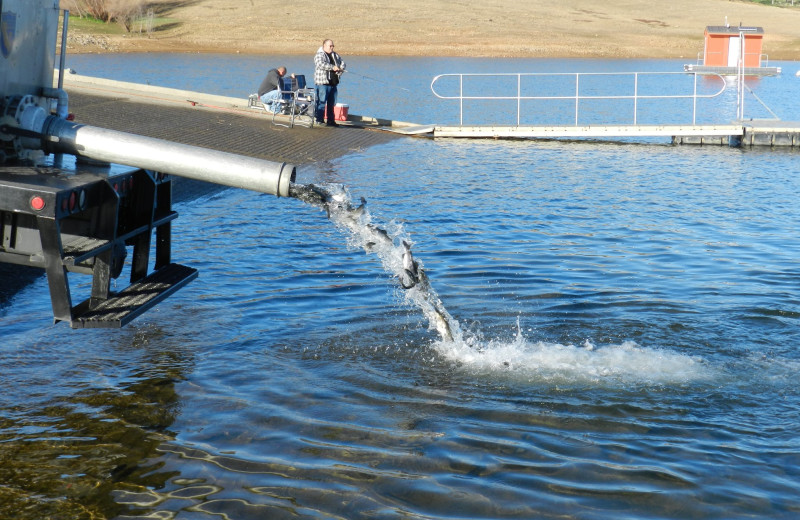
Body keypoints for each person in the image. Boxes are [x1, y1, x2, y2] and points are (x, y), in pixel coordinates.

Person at [313, 39, 346, 126]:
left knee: (332, 103)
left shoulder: (335, 55)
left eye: (333, 46)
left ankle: (331, 120)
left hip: (333, 83)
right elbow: (320, 64)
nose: (332, 47)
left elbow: (342, 63)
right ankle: (319, 120)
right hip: (322, 83)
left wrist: (340, 68)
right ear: (324, 45)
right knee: (321, 102)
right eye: (330, 46)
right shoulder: (319, 55)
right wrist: (333, 67)